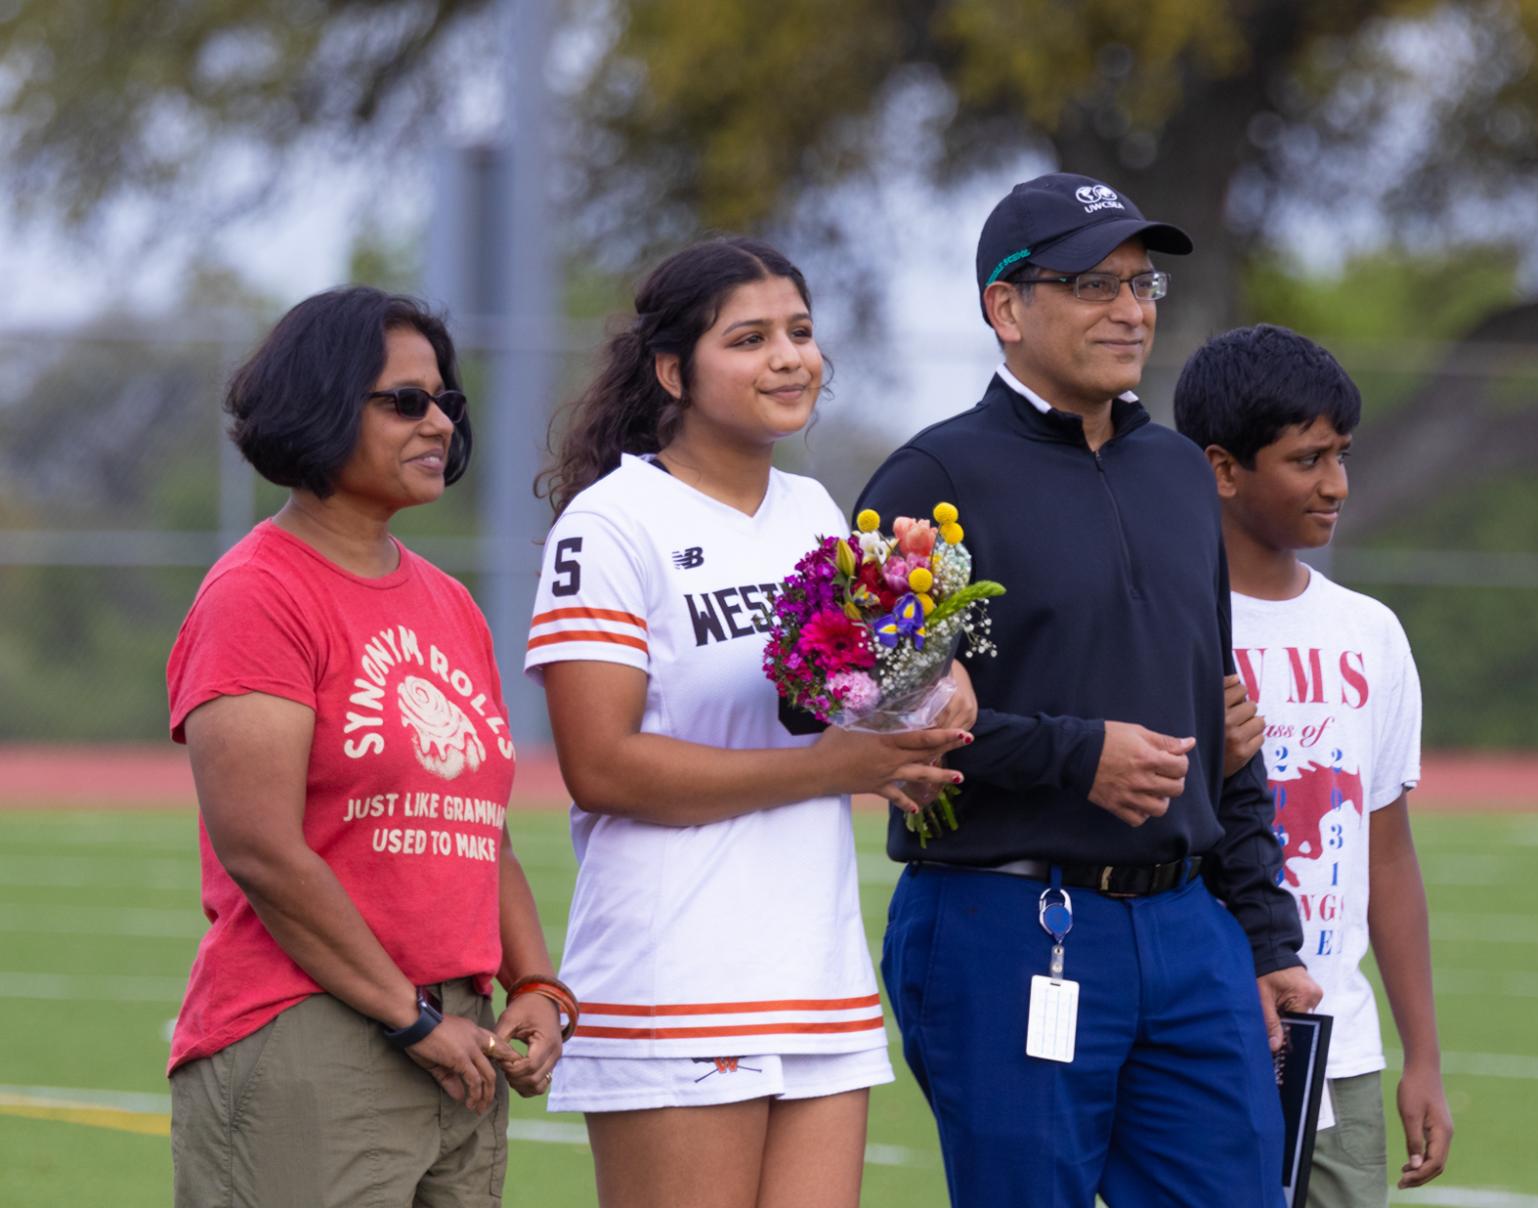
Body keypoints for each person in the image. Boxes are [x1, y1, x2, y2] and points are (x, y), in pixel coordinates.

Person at [857, 173, 1318, 1207]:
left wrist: (1263, 936)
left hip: (1190, 925)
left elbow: (1221, 713)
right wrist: (1075, 754)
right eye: (1092, 284)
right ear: (1006, 306)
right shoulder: (931, 479)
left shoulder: (1177, 473)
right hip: (1004, 917)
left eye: (1140, 283)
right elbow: (865, 718)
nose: (1130, 309)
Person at [527, 236, 972, 1208]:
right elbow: (602, 766)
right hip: (676, 977)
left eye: (800, 332)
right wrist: (833, 769)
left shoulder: (815, 512)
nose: (789, 358)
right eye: (749, 338)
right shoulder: (611, 524)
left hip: (816, 974)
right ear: (672, 371)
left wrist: (934, 676)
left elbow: (857, 707)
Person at [164, 287, 565, 1206]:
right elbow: (262, 850)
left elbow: (483, 835)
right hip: (316, 1027)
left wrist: (536, 985)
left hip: (458, 1037)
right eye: (404, 401)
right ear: (317, 406)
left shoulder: (450, 603)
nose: (439, 423)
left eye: (444, 401)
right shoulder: (258, 593)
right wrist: (408, 1019)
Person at [1176, 324, 1452, 1208]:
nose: (1336, 484)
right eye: (1306, 460)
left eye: (1341, 455)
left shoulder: (1369, 632)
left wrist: (1422, 1057)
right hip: (1191, 1036)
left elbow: (1387, 852)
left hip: (1338, 1042)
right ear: (1223, 469)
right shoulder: (1165, 624)